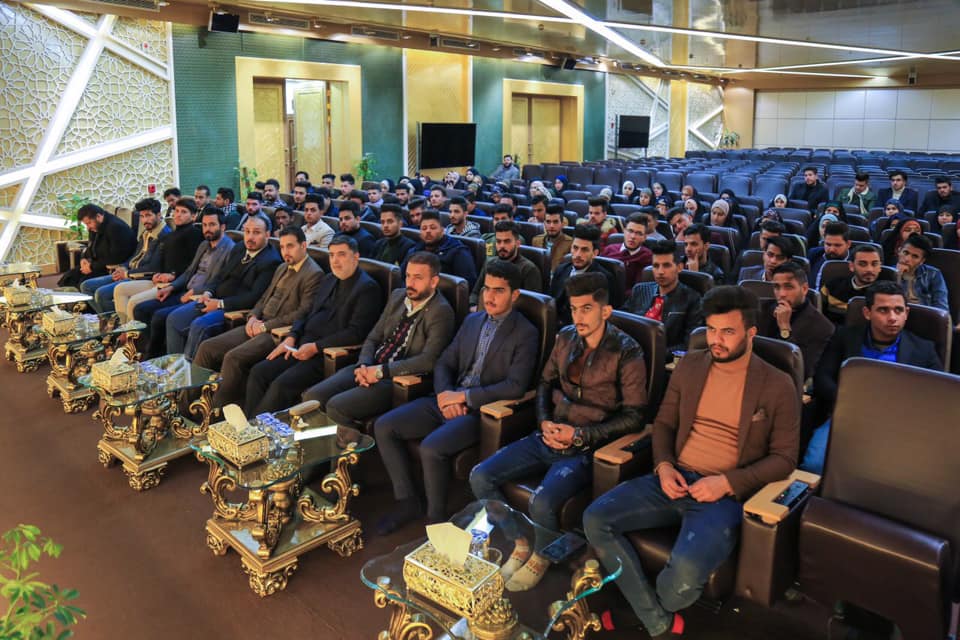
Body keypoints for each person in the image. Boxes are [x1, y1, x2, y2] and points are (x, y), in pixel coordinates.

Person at [584, 286, 799, 639]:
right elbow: (664, 424)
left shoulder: (777, 384)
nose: (716, 340)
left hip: (724, 495)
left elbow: (785, 459)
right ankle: (657, 621)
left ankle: (643, 611)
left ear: (751, 333)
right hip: (675, 476)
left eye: (727, 332)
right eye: (711, 329)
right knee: (595, 518)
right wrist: (664, 466)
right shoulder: (691, 365)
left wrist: (727, 482)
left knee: (678, 587)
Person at [471, 272, 647, 590]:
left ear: (606, 311)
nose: (578, 317)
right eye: (574, 309)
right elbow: (544, 383)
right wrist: (543, 421)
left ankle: (542, 555)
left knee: (541, 503)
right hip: (549, 433)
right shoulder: (566, 337)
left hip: (587, 445)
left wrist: (580, 436)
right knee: (480, 476)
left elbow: (635, 417)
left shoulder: (627, 350)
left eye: (587, 309)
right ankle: (520, 541)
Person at [374, 260, 539, 533]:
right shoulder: (472, 321)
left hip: (480, 411)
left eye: (499, 290)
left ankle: (436, 521)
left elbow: (515, 386)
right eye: (486, 289)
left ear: (515, 295)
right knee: (384, 426)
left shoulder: (526, 332)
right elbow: (444, 363)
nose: (489, 296)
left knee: (431, 447)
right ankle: (407, 500)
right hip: (446, 398)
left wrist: (464, 398)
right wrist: (444, 395)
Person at [303, 252, 456, 435]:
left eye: (418, 278)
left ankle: (349, 453)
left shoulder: (441, 311)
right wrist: (363, 365)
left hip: (395, 379)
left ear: (434, 281)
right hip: (370, 367)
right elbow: (373, 337)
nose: (410, 283)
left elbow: (429, 360)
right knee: (312, 397)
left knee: (336, 406)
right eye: (408, 276)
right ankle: (320, 451)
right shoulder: (398, 296)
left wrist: (380, 371)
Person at [804, 281, 941, 473]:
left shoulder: (924, 349)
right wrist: (848, 402)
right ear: (867, 313)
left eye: (898, 310)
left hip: (901, 424)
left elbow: (937, 396)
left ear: (906, 313)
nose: (892, 318)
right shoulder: (845, 337)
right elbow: (823, 377)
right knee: (814, 465)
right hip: (849, 415)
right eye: (883, 310)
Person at [242, 236, 384, 414]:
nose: (335, 261)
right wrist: (292, 337)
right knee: (259, 372)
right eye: (331, 255)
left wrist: (316, 347)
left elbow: (356, 333)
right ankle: (249, 424)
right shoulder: (329, 279)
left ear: (356, 257)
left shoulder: (367, 288)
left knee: (281, 385)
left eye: (341, 255)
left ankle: (261, 428)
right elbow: (306, 312)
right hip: (300, 345)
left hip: (326, 355)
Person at [193, 226, 324, 408]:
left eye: (290, 246)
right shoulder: (282, 267)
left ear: (303, 245)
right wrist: (253, 316)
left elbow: (302, 313)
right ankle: (187, 404)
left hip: (275, 333)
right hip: (257, 324)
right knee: (207, 347)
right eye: (282, 247)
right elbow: (263, 298)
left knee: (232, 358)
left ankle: (216, 413)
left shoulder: (314, 274)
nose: (285, 251)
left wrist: (265, 326)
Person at [162, 215, 281, 359]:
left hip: (232, 309)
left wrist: (219, 304)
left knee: (199, 325)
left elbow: (253, 297)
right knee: (174, 318)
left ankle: (190, 369)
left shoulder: (271, 261)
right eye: (247, 231)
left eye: (256, 232)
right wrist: (208, 292)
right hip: (213, 299)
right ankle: (174, 365)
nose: (250, 237)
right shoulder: (239, 248)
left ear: (267, 234)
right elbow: (220, 276)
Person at [134, 210, 235, 348]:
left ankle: (157, 355)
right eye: (205, 225)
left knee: (160, 317)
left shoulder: (230, 249)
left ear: (222, 227)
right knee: (141, 309)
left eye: (212, 225)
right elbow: (188, 272)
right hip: (184, 290)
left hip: (201, 296)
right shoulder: (204, 245)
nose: (207, 229)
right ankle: (143, 349)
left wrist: (194, 292)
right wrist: (171, 287)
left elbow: (218, 281)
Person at [111, 198, 203, 321]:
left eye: (183, 212)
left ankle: (133, 332)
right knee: (120, 289)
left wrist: (173, 275)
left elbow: (193, 266)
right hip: (159, 280)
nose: (178, 215)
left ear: (194, 216)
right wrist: (157, 274)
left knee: (134, 302)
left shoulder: (195, 234)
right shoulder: (171, 235)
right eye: (176, 211)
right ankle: (125, 328)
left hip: (175, 284)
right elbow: (160, 263)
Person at [81, 198, 169, 314]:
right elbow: (135, 256)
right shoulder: (146, 232)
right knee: (86, 286)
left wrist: (126, 273)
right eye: (142, 216)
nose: (145, 220)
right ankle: (110, 318)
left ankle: (115, 321)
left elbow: (153, 268)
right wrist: (123, 267)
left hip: (144, 278)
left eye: (148, 215)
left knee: (101, 294)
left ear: (159, 215)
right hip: (130, 272)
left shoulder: (165, 236)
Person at [623, 240, 703, 354]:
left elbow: (689, 344)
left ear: (679, 267)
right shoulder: (639, 290)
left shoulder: (692, 299)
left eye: (666, 265)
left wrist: (656, 355)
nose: (660, 272)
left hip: (664, 358)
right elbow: (622, 323)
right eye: (656, 266)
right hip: (631, 353)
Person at [759, 262, 835, 380]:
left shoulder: (822, 326)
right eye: (777, 287)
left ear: (804, 289)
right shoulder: (761, 309)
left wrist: (785, 328)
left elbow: (802, 371)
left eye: (788, 287)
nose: (782, 294)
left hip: (785, 381)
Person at [549, 225, 618, 325]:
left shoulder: (604, 279)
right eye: (575, 248)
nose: (578, 254)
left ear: (595, 253)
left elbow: (604, 318)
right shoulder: (561, 269)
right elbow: (551, 303)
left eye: (584, 250)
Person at [58, 204, 137, 288]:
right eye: (86, 224)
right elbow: (91, 245)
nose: (88, 227)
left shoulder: (116, 227)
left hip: (111, 268)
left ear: (98, 216)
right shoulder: (95, 226)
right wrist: (84, 259)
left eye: (89, 223)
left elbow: (116, 258)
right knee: (68, 277)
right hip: (97, 264)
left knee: (82, 284)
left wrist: (91, 267)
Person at [470, 221, 541, 308]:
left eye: (507, 241)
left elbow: (532, 307)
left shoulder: (529, 269)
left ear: (517, 243)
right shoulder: (489, 263)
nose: (502, 246)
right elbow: (475, 293)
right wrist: (473, 307)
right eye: (498, 241)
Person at [403, 210, 478, 289]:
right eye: (424, 228)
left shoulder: (458, 251)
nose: (428, 231)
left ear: (442, 230)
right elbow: (402, 276)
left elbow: (467, 286)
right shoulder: (414, 250)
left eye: (433, 228)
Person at [820, 244, 884, 324]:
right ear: (851, 266)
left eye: (874, 264)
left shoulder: (885, 294)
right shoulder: (832, 286)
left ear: (880, 267)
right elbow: (818, 314)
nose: (869, 269)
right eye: (862, 264)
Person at [600, 212, 652, 298]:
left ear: (644, 237)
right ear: (624, 231)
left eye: (639, 233)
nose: (633, 236)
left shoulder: (647, 257)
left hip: (626, 299)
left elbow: (638, 289)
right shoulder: (609, 249)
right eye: (630, 231)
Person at [895, 233, 949, 311]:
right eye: (905, 253)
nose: (907, 259)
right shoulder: (889, 273)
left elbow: (941, 308)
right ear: (899, 251)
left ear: (922, 261)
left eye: (915, 256)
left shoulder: (933, 274)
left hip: (927, 315)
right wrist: (898, 276)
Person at [807, 221, 852, 288]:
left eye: (837, 245)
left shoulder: (854, 261)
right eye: (828, 244)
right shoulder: (814, 254)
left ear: (848, 244)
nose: (831, 249)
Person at [533, 205, 573, 271]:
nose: (551, 226)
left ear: (562, 224)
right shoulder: (536, 240)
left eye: (555, 222)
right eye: (548, 222)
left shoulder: (570, 243)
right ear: (544, 223)